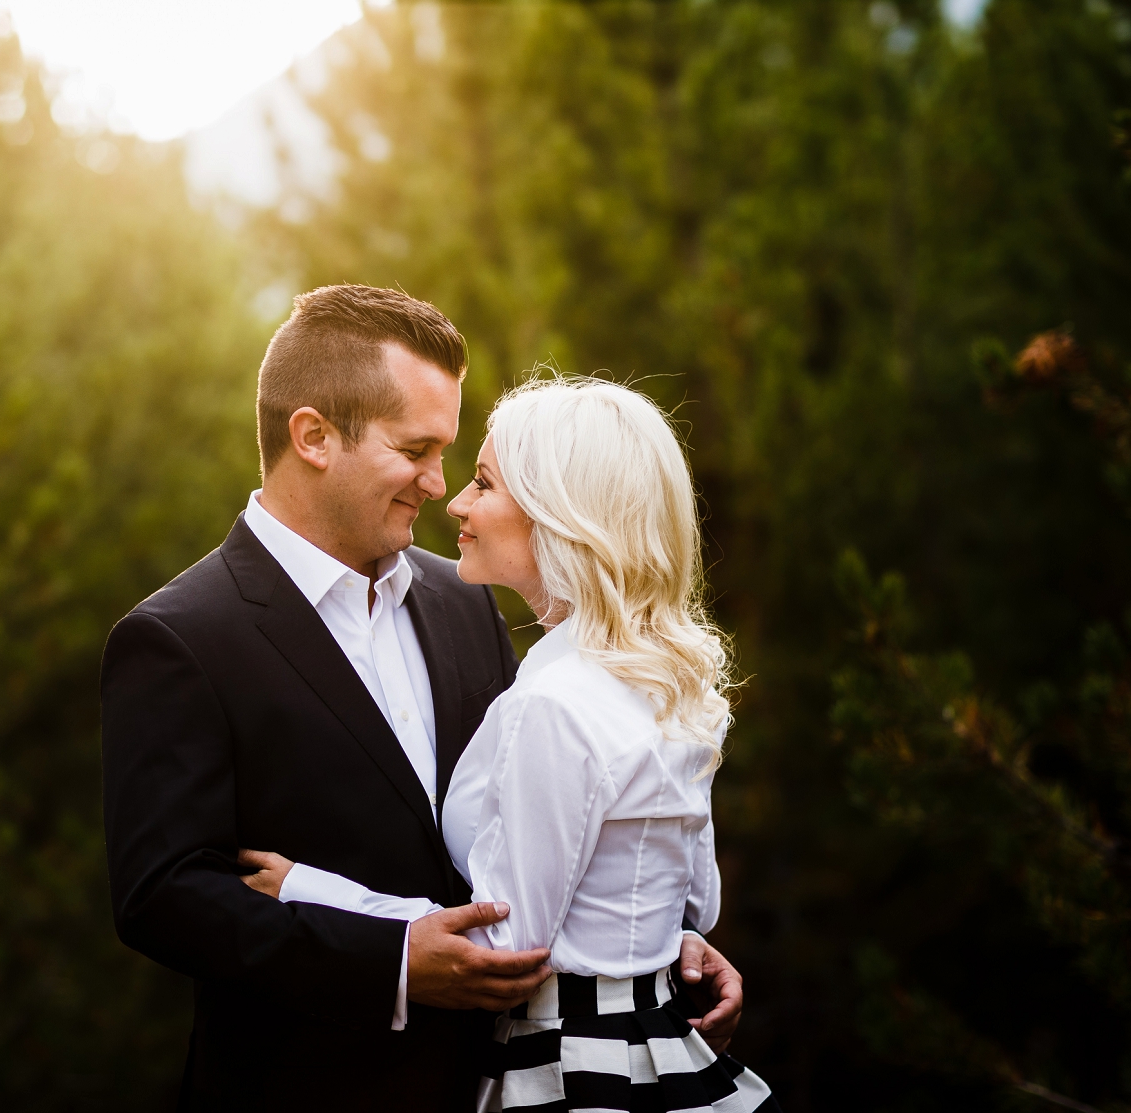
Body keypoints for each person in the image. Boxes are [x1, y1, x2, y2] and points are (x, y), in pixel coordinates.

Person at [100, 287, 745, 1112]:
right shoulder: (181, 636)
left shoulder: (462, 596)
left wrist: (646, 946)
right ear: (314, 436)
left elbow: (552, 817)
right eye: (418, 449)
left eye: (454, 455)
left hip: (513, 1078)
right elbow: (163, 896)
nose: (440, 486)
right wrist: (392, 960)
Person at [237, 376, 777, 1111]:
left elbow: (505, 948)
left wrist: (307, 888)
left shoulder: (553, 703)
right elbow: (694, 900)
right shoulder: (663, 681)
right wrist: (649, 948)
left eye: (484, 483)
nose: (455, 500)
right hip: (661, 1051)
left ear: (561, 514)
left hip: (573, 1069)